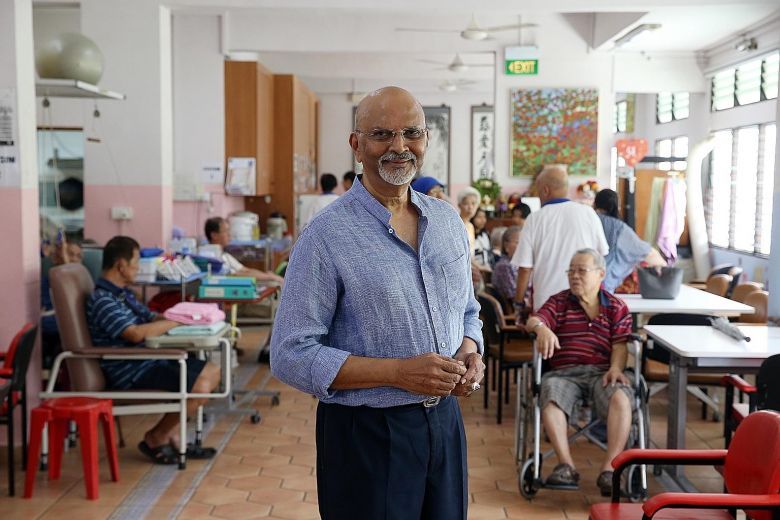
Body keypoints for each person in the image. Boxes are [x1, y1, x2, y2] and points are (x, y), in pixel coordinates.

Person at [271, 86, 484, 520]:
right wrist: (398, 373)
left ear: (426, 139)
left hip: (444, 424)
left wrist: (471, 351)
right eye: (382, 134)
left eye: (412, 133)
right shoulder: (326, 235)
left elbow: (467, 311)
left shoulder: (446, 222)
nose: (399, 147)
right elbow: (290, 353)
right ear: (356, 144)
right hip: (366, 433)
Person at [85, 236, 221, 464]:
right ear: (121, 265)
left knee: (213, 371)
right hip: (130, 368)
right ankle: (156, 437)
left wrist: (188, 315)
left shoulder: (123, 294)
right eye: (136, 262)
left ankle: (170, 433)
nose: (138, 268)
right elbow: (135, 333)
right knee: (201, 385)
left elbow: (150, 317)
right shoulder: (103, 299)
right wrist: (177, 323)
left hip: (148, 359)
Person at [524, 249, 634, 496]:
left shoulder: (616, 307)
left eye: (581, 270)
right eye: (571, 270)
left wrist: (616, 368)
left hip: (602, 373)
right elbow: (534, 320)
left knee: (621, 397)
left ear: (600, 274)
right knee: (549, 393)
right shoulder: (559, 302)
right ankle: (566, 465)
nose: (574, 276)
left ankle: (610, 470)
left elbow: (621, 345)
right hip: (565, 374)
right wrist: (542, 328)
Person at [511, 165, 608, 311]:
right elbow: (601, 256)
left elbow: (525, 268)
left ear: (545, 190)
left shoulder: (535, 219)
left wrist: (518, 303)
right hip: (585, 300)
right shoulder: (588, 213)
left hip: (547, 304)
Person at [593, 189, 666, 293]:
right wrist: (664, 265)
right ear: (616, 205)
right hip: (603, 286)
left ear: (595, 203)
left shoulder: (587, 219)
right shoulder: (618, 228)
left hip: (577, 282)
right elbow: (646, 252)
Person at [204, 217, 284, 284]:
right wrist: (269, 277)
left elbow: (246, 270)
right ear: (214, 235)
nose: (229, 234)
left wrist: (270, 276)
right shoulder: (210, 258)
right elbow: (236, 275)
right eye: (226, 231)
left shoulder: (225, 256)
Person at [492, 226, 522, 304]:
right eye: (518, 242)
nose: (523, 246)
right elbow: (513, 295)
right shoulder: (505, 266)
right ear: (506, 245)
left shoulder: (517, 264)